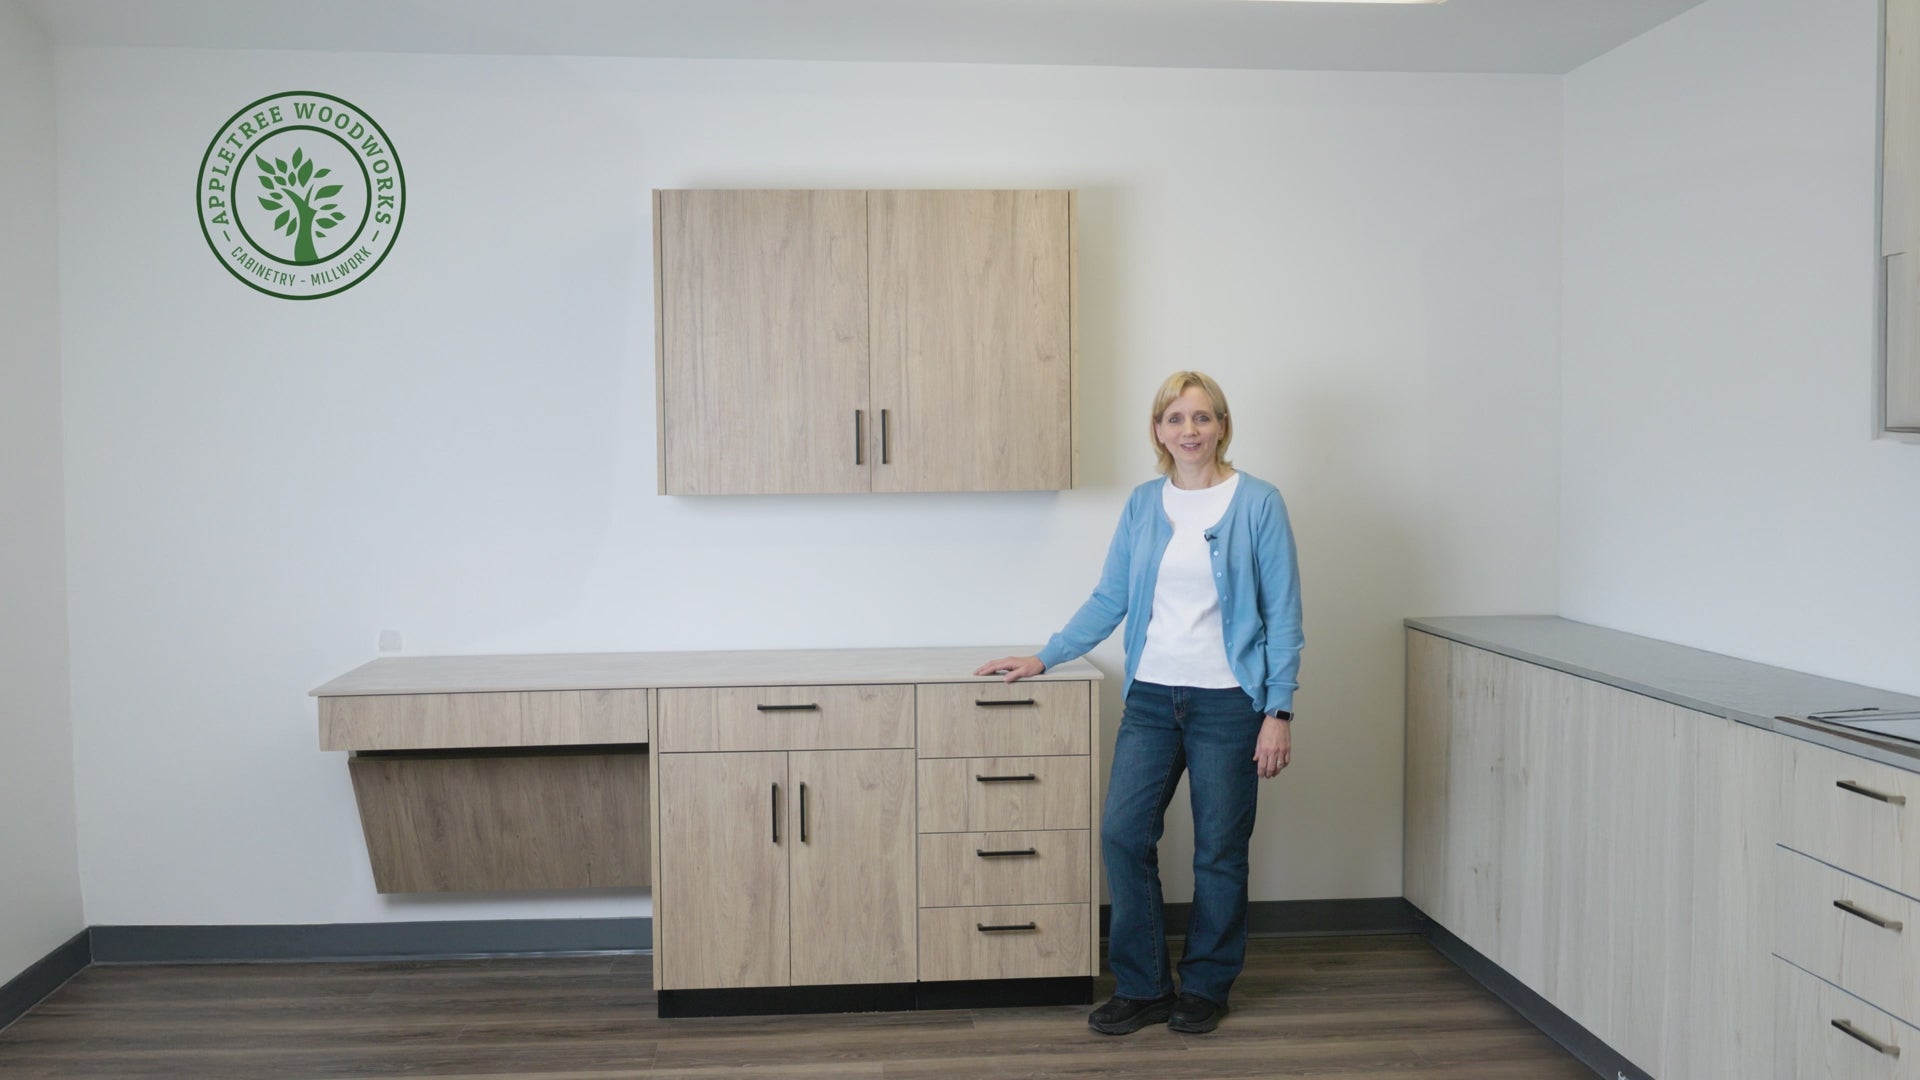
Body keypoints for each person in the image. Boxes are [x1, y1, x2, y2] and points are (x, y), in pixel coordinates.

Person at [976, 370, 1303, 1037]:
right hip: (1153, 699)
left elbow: (1285, 615)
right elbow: (1112, 596)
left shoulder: (1258, 502)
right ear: (1158, 430)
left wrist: (1279, 711)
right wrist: (1046, 655)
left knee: (1218, 851)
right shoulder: (1143, 503)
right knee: (1124, 836)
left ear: (1222, 426)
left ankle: (1205, 987)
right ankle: (1146, 986)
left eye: (1202, 417)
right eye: (1175, 418)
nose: (1190, 430)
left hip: (1230, 705)